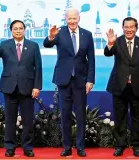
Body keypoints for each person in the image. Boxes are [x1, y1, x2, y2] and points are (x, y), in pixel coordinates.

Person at [43, 8, 95, 157]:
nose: (72, 21)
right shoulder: (59, 32)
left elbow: (91, 59)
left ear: (79, 18)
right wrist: (51, 37)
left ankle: (80, 147)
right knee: (65, 115)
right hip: (63, 80)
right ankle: (67, 147)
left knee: (80, 116)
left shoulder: (87, 34)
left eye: (74, 18)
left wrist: (90, 80)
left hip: (81, 81)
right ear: (65, 19)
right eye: (69, 18)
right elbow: (47, 44)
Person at [0, 20, 42, 157]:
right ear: (11, 31)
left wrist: (37, 86)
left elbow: (38, 68)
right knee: (10, 120)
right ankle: (10, 147)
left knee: (28, 120)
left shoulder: (33, 46)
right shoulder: (4, 45)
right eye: (15, 28)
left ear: (25, 30)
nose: (18, 30)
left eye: (21, 28)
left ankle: (27, 147)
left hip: (28, 88)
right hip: (9, 87)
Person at [104, 17, 139, 157]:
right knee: (120, 118)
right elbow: (107, 53)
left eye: (132, 27)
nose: (129, 29)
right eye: (126, 27)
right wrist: (110, 44)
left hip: (137, 86)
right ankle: (120, 145)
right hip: (119, 86)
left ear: (136, 28)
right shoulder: (116, 42)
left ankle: (137, 146)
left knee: (137, 118)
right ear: (123, 28)